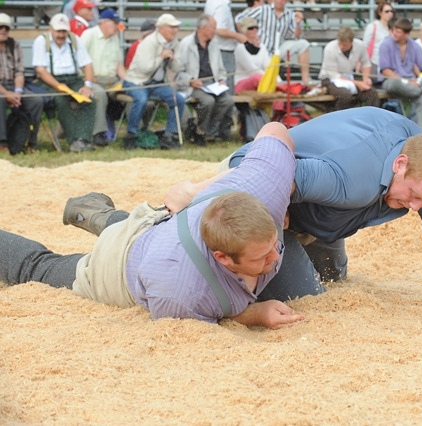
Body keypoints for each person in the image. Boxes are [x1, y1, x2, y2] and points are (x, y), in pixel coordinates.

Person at [209, 107, 422, 315]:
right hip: (251, 183)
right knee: (308, 300)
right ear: (400, 164)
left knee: (334, 276)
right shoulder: (352, 176)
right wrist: (276, 213)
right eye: (413, 196)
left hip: (318, 215)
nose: (416, 208)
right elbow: (265, 176)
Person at [0, 123, 306, 329]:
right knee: (39, 268)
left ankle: (96, 213)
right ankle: (100, 221)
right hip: (120, 268)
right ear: (222, 258)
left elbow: (275, 130)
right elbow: (205, 320)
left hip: (158, 224)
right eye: (262, 256)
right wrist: (253, 314)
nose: (276, 257)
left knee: (150, 228)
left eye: (273, 245)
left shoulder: (261, 185)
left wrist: (197, 189)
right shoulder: (181, 292)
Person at [32, 13, 97, 152]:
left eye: (64, 31)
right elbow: (40, 70)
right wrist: (57, 85)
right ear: (50, 29)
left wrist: (87, 85)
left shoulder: (75, 39)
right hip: (49, 80)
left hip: (73, 79)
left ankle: (82, 139)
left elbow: (87, 64)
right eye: (58, 31)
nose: (61, 35)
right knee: (61, 102)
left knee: (89, 100)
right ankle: (74, 141)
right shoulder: (41, 41)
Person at [122, 13, 185, 151]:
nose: (175, 30)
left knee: (178, 100)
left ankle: (170, 135)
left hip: (157, 83)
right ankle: (131, 135)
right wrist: (161, 57)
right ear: (161, 28)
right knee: (141, 99)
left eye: (176, 27)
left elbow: (178, 67)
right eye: (172, 27)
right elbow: (145, 68)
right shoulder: (149, 42)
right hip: (136, 81)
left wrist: (173, 59)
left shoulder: (175, 43)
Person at [379, 18, 422, 133]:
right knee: (413, 88)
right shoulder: (385, 44)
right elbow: (385, 71)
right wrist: (408, 82)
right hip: (392, 81)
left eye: (399, 32)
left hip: (412, 84)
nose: (395, 33)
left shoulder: (415, 46)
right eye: (394, 30)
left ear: (407, 34)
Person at [178, 14, 234, 146]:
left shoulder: (214, 45)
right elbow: (178, 70)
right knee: (208, 101)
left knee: (227, 101)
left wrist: (222, 80)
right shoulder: (186, 44)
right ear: (203, 28)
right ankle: (200, 132)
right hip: (194, 85)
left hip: (213, 84)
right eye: (213, 28)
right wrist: (191, 80)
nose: (215, 31)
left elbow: (221, 69)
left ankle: (207, 129)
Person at [235, 0, 313, 86]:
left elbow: (297, 36)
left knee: (303, 44)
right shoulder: (262, 9)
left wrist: (297, 24)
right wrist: (245, 37)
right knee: (262, 74)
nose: (281, 1)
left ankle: (306, 81)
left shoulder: (290, 14)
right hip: (261, 48)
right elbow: (239, 18)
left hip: (278, 49)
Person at [80, 9, 126, 147]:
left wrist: (128, 81)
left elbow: (119, 65)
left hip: (111, 80)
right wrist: (89, 77)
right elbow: (79, 60)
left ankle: (135, 132)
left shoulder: (115, 38)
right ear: (104, 22)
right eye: (115, 23)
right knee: (100, 94)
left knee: (134, 90)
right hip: (91, 80)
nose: (118, 26)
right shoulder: (89, 35)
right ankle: (98, 133)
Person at [0, 13, 44, 153]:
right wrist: (6, 94)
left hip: (13, 84)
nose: (3, 30)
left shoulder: (15, 45)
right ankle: (2, 143)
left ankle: (30, 141)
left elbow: (19, 72)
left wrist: (18, 92)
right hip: (1, 88)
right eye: (0, 27)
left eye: (6, 28)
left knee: (36, 101)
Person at [204, 0, 247, 140]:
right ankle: (223, 130)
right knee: (226, 92)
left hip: (218, 49)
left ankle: (216, 130)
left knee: (221, 93)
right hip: (224, 51)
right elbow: (220, 29)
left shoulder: (211, 2)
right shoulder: (222, 5)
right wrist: (238, 36)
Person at [317, 26, 379, 112]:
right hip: (329, 79)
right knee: (345, 96)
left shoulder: (360, 45)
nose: (341, 47)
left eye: (345, 45)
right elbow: (333, 75)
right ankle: (338, 116)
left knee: (371, 94)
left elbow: (366, 63)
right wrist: (358, 83)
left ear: (351, 42)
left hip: (349, 77)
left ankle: (368, 116)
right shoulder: (330, 48)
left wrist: (365, 80)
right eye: (340, 43)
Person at [234, 17, 273, 92]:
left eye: (256, 28)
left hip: (261, 80)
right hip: (241, 81)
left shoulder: (262, 46)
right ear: (244, 30)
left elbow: (268, 66)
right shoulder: (239, 47)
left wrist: (276, 78)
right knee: (257, 78)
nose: (254, 30)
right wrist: (269, 78)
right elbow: (251, 69)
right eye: (251, 28)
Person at [362, 1, 394, 79]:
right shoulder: (372, 26)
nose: (390, 14)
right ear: (380, 13)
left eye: (391, 11)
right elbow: (364, 46)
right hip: (374, 62)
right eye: (387, 11)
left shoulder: (393, 28)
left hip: (389, 63)